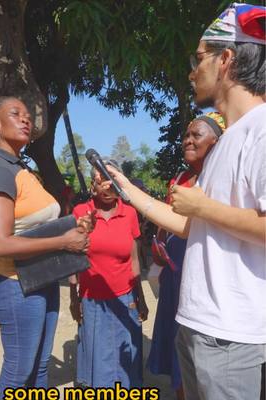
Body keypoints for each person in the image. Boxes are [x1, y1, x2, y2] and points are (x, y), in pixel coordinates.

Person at [105, 3, 266, 399]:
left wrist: (202, 206)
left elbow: (204, 214)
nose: (192, 71)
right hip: (198, 325)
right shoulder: (229, 139)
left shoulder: (261, 130)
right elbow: (193, 225)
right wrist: (125, 185)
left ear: (226, 59)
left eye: (199, 59)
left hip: (233, 336)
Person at [0, 97, 91, 395]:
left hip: (41, 277)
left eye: (27, 115)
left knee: (39, 367)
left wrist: (74, 226)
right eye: (16, 114)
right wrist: (64, 241)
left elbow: (33, 226)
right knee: (18, 371)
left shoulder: (22, 167)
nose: (26, 119)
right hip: (15, 285)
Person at [147, 112, 225, 400]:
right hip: (174, 269)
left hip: (202, 267)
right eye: (187, 135)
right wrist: (158, 243)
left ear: (217, 142)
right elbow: (166, 219)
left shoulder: (219, 180)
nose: (188, 140)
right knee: (176, 337)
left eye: (197, 135)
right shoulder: (180, 178)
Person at [69, 159, 148, 389]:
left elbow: (133, 259)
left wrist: (140, 298)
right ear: (93, 184)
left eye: (110, 179)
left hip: (125, 300)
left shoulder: (130, 213)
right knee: (101, 365)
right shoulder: (81, 212)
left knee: (126, 365)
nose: (105, 187)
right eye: (99, 179)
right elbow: (73, 260)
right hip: (92, 302)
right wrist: (74, 298)